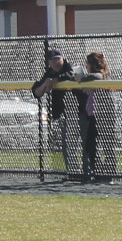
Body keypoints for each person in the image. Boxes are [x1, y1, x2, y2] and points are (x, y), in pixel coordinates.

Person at [31, 48, 85, 181]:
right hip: (63, 114)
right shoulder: (49, 73)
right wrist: (44, 85)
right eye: (52, 60)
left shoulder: (70, 68)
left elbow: (70, 74)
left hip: (79, 112)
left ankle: (88, 172)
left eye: (58, 59)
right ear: (48, 62)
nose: (56, 62)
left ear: (63, 59)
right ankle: (74, 173)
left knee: (84, 144)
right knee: (68, 146)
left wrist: (55, 80)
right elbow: (37, 91)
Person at [81, 50, 118, 183]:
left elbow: (95, 77)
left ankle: (109, 173)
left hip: (105, 113)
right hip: (93, 113)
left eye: (88, 63)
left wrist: (82, 78)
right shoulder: (93, 75)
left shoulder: (102, 75)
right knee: (91, 144)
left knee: (107, 143)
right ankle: (98, 171)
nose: (86, 65)